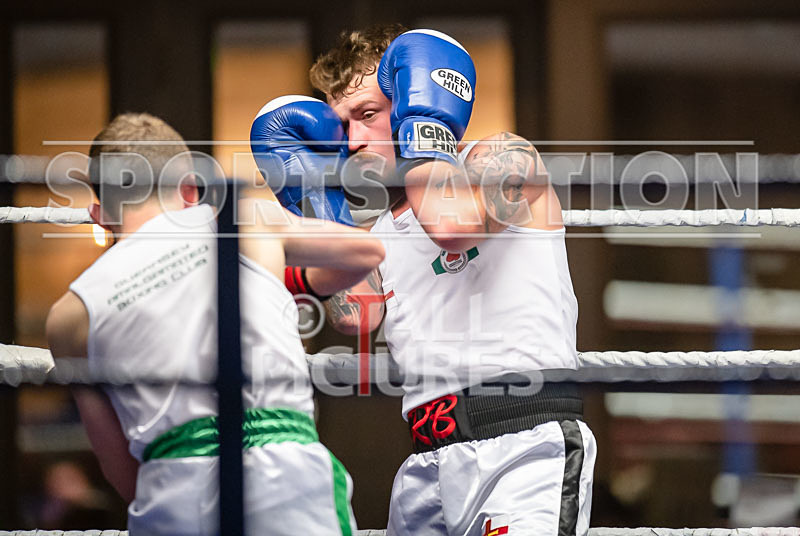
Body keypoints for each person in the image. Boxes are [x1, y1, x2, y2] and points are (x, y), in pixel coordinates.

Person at [300, 25, 597, 535]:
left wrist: (423, 132)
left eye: (368, 115)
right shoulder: (381, 231)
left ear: (414, 94)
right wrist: (317, 208)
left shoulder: (502, 157)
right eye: (342, 124)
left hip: (523, 445)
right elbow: (355, 317)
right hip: (426, 461)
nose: (353, 140)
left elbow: (453, 225)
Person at [46, 112, 384, 535]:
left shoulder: (69, 314)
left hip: (172, 494)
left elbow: (120, 470)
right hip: (286, 478)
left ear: (99, 213)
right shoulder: (244, 220)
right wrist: (281, 268)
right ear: (190, 189)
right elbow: (367, 252)